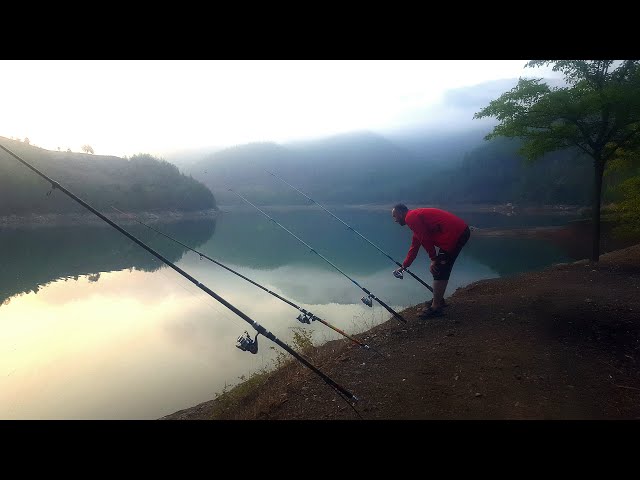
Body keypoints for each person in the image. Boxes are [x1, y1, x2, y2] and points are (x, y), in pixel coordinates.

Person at [392, 204, 471, 318]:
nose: (395, 220)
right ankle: (438, 300)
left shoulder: (411, 217)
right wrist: (404, 267)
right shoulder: (415, 219)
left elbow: (425, 239)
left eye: (395, 216)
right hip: (457, 233)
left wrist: (434, 259)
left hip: (455, 234)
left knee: (439, 269)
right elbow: (414, 247)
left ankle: (436, 307)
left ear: (400, 213)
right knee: (440, 269)